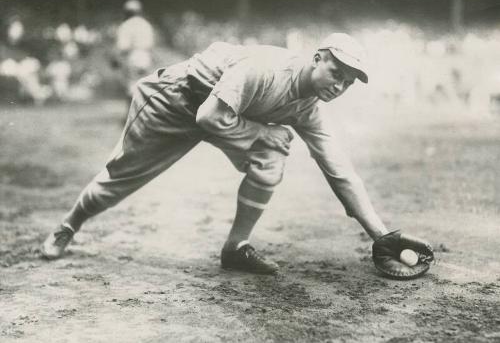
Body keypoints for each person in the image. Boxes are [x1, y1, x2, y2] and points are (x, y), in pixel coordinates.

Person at [41, 33, 431, 276]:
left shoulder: (309, 107)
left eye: (347, 82)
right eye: (336, 72)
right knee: (119, 179)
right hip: (177, 100)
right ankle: (68, 226)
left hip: (227, 113)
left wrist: (380, 234)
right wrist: (263, 132)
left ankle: (235, 249)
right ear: (317, 57)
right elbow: (208, 116)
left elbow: (340, 170)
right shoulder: (265, 68)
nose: (339, 85)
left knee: (272, 157)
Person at [115, 0, 155, 99]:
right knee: (145, 86)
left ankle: (132, 112)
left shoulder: (126, 25)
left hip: (133, 56)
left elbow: (123, 47)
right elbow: (151, 44)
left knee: (132, 86)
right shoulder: (146, 24)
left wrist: (117, 59)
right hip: (146, 57)